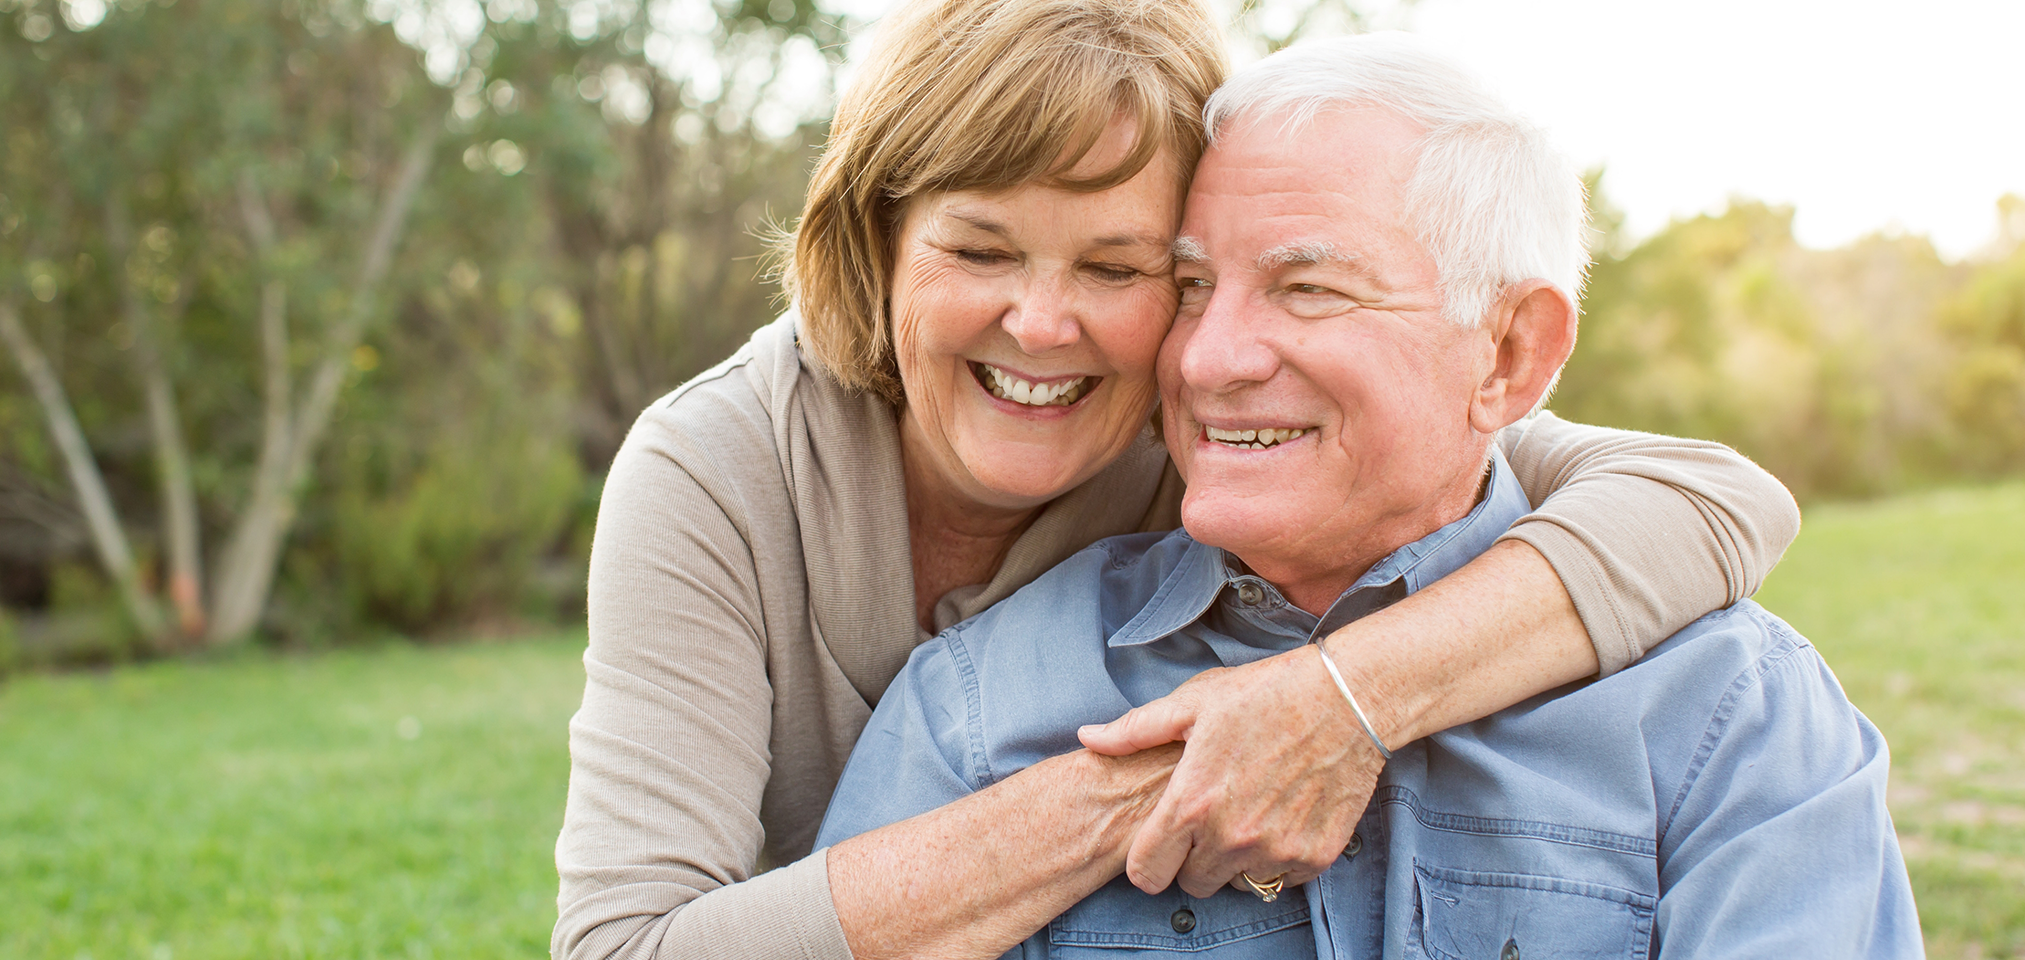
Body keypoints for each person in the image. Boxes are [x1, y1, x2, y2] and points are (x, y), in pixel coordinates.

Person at [552, 1, 1804, 957]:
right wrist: (1169, 777)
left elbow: (1714, 503)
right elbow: (623, 944)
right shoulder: (716, 468)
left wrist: (1337, 700)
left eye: (1123, 268)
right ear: (876, 250)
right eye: (980, 248)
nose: (1043, 326)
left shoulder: (1214, 417)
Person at [815, 33, 1921, 958]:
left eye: (1307, 288)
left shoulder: (1729, 715)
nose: (1208, 359)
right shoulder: (979, 705)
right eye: (1192, 286)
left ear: (1509, 357)